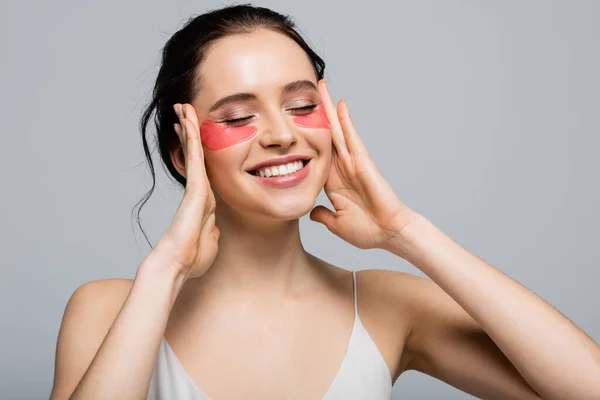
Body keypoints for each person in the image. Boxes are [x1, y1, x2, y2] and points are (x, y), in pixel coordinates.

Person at [49, 4, 600, 400]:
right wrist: (165, 271)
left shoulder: (388, 306)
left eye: (300, 104)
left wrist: (405, 232)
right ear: (181, 151)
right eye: (239, 116)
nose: (281, 135)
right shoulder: (107, 309)